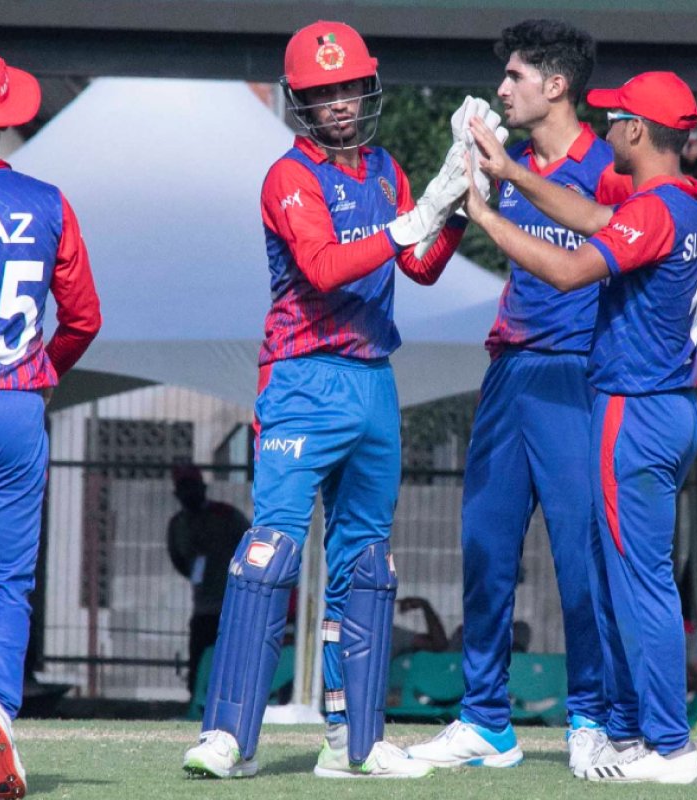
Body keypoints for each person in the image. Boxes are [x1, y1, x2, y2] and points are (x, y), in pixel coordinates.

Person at [181, 19, 498, 780]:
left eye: (350, 88)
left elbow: (418, 266)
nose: (341, 104)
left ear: (367, 87)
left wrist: (457, 203)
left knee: (368, 563)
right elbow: (323, 267)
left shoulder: (385, 171)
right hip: (302, 376)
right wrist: (413, 220)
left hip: (372, 378)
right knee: (271, 553)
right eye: (324, 93)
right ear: (301, 102)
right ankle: (229, 737)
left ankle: (353, 742)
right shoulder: (288, 177)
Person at [463, 69, 697, 784]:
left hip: (634, 409)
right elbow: (599, 220)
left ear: (637, 131)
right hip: (672, 408)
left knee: (639, 584)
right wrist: (513, 172)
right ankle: (633, 735)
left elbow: (572, 271)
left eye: (615, 117)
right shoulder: (687, 200)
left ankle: (669, 747)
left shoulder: (653, 209)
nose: (606, 126)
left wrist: (487, 218)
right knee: (628, 578)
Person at [407, 19, 631, 777]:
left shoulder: (608, 168)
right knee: (484, 549)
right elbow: (425, 256)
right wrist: (455, 176)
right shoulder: (508, 163)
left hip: (577, 375)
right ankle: (485, 721)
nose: (501, 89)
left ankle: (590, 718)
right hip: (508, 372)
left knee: (581, 559)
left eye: (515, 76)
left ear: (556, 85)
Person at [0, 48, 101, 799]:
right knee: (3, 587)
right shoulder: (47, 203)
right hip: (11, 406)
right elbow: (83, 316)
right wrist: (41, 376)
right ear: (4, 121)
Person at [167, 465, 248, 694]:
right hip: (204, 609)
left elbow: (250, 546)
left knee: (232, 668)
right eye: (184, 488)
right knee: (200, 671)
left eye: (192, 486)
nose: (189, 493)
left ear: (203, 487)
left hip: (232, 606)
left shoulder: (226, 516)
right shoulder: (178, 524)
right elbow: (178, 559)